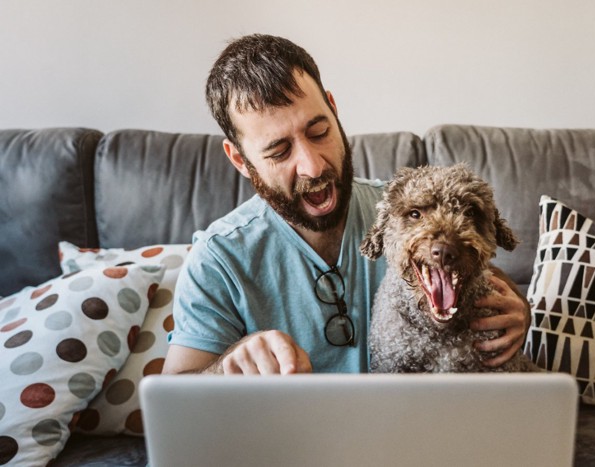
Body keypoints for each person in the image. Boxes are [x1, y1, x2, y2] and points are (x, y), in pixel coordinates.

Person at [163, 34, 531, 376]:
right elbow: (173, 402)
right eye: (279, 151)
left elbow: (480, 270)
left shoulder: (409, 211)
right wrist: (226, 367)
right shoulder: (218, 259)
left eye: (319, 132)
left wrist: (519, 313)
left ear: (334, 111)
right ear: (241, 160)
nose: (314, 165)